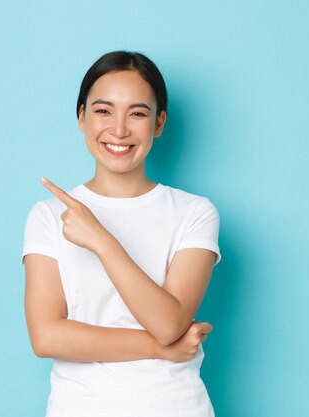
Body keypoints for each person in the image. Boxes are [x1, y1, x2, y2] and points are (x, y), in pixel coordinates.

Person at [21, 50, 222, 417]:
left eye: (137, 113)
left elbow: (168, 323)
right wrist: (160, 348)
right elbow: (47, 336)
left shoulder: (194, 212)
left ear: (158, 123)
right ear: (82, 117)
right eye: (103, 110)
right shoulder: (48, 216)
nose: (119, 129)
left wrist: (101, 240)